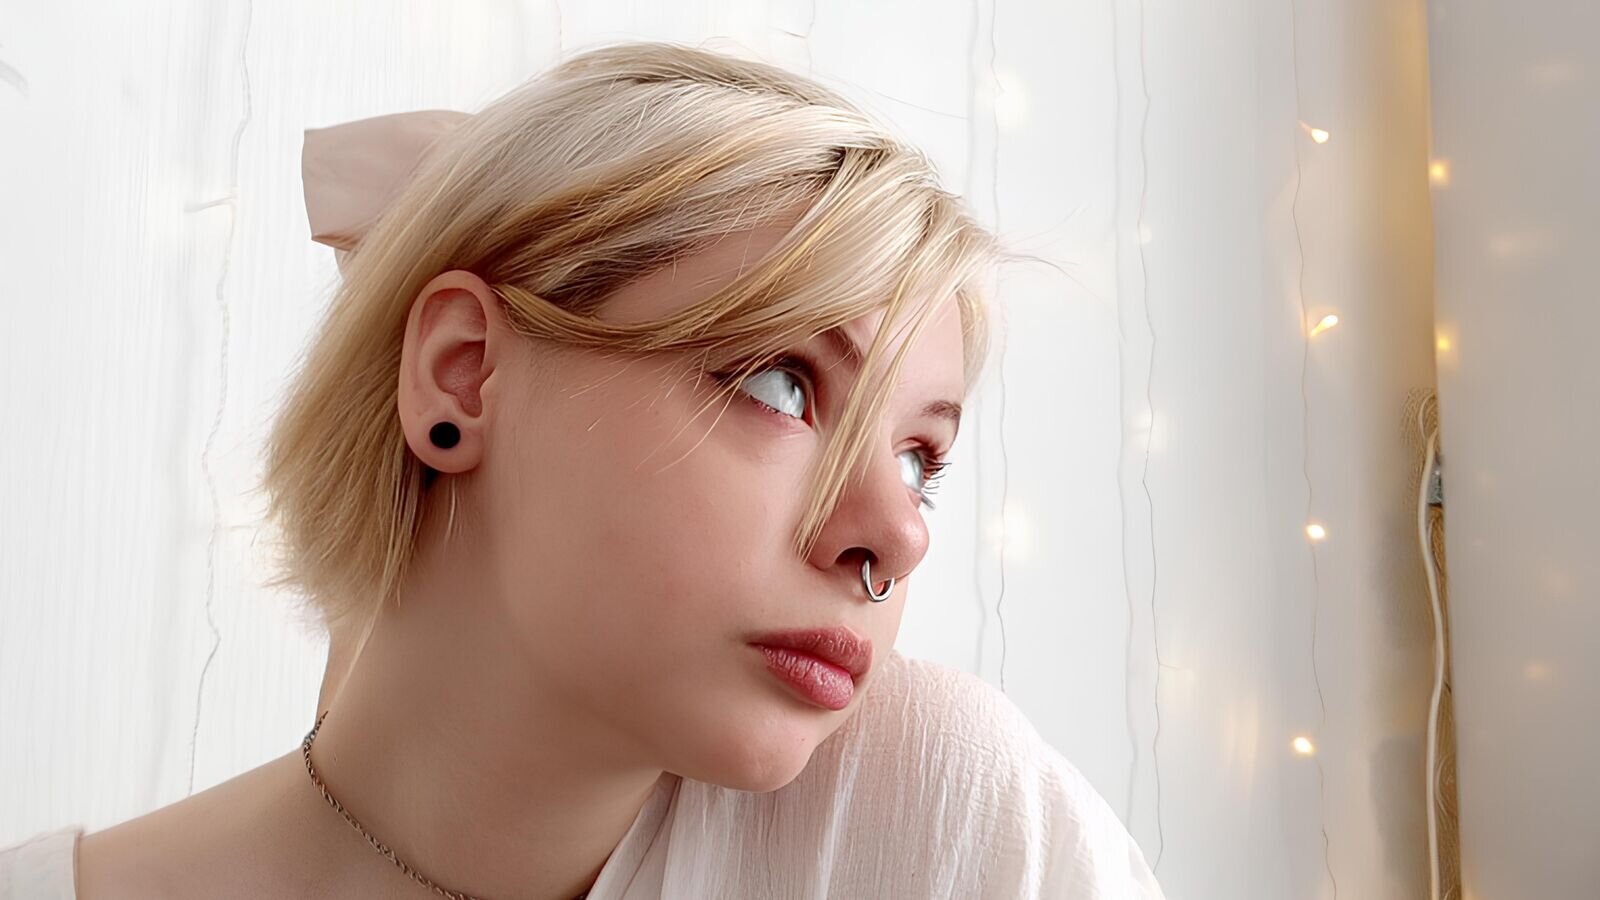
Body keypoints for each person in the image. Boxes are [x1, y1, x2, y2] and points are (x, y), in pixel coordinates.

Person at [0, 41, 1164, 899]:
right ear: (463, 373)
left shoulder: (933, 820)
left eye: (921, 461)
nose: (898, 537)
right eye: (779, 384)